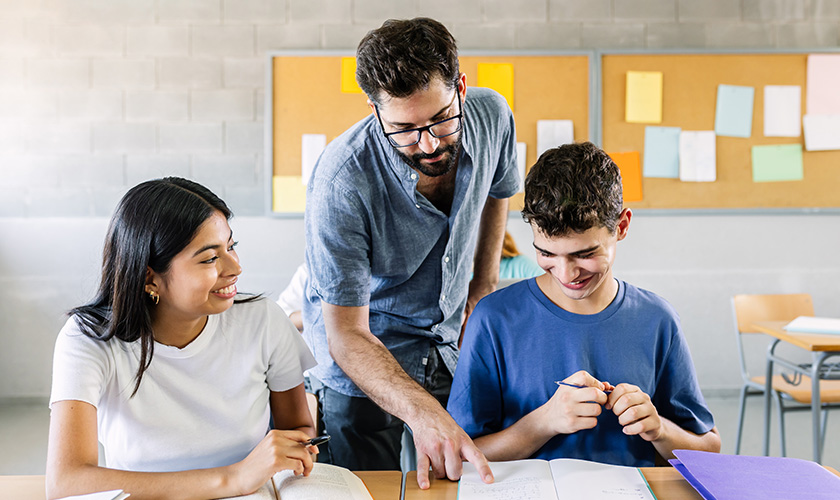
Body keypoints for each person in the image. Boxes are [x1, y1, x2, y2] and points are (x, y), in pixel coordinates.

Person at [303, 18, 519, 488]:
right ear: (374, 108)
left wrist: (482, 287)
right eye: (403, 128)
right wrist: (421, 410)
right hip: (363, 360)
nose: (429, 144)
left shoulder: (493, 116)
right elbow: (347, 334)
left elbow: (498, 192)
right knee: (365, 491)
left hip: (444, 340)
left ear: (461, 86)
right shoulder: (340, 182)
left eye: (441, 117)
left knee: (452, 483)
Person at [447, 142, 721, 466]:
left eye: (585, 254)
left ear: (621, 227)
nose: (566, 274)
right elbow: (461, 455)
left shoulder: (657, 320)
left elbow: (710, 450)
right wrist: (543, 422)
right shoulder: (494, 319)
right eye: (546, 253)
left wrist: (659, 429)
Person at [46, 178, 318, 499]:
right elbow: (66, 482)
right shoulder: (89, 338)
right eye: (209, 258)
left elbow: (301, 430)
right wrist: (232, 478)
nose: (235, 268)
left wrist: (291, 451)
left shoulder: (264, 319)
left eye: (230, 246)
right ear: (150, 277)